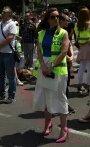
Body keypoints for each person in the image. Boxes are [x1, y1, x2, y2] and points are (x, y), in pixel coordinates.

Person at [33, 8, 70, 143]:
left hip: (58, 70)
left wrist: (51, 66)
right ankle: (48, 123)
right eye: (53, 17)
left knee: (60, 98)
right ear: (48, 19)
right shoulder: (41, 33)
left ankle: (64, 128)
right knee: (46, 97)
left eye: (58, 17)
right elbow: (39, 51)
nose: (56, 19)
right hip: (44, 69)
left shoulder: (63, 33)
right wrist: (43, 66)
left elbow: (64, 51)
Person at [0, 6, 17, 104]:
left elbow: (10, 38)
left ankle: (11, 96)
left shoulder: (12, 24)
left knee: (11, 76)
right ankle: (1, 94)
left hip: (9, 54)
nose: (2, 13)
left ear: (9, 14)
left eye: (4, 12)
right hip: (0, 53)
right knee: (0, 75)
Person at [74, 7, 90, 95]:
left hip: (81, 47)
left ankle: (79, 86)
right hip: (89, 46)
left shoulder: (76, 25)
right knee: (89, 68)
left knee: (81, 67)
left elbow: (76, 37)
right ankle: (89, 86)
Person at [59, 14, 76, 114]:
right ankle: (61, 106)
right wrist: (66, 56)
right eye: (66, 20)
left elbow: (69, 46)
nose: (68, 22)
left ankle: (65, 104)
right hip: (60, 63)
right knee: (60, 86)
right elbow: (59, 49)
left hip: (67, 62)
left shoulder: (65, 32)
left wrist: (72, 56)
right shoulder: (57, 33)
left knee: (66, 85)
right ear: (60, 21)